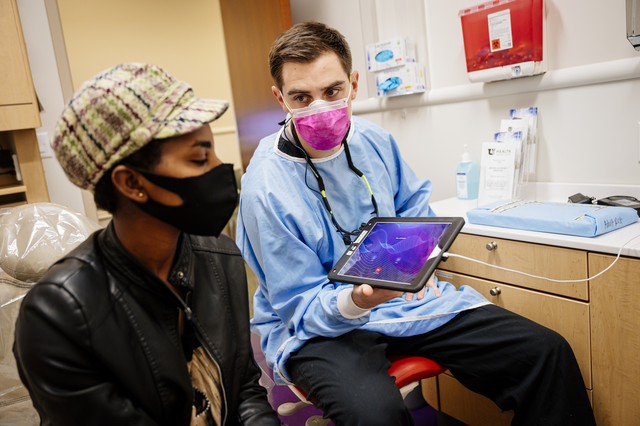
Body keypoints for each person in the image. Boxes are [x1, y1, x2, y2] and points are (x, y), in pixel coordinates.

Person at [236, 22, 596, 426]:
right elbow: (297, 304)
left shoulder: (373, 140)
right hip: (317, 328)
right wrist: (358, 299)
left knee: (545, 353)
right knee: (376, 415)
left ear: (354, 84)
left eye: (333, 91)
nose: (320, 107)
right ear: (280, 99)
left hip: (401, 302)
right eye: (301, 97)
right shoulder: (265, 188)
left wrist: (417, 262)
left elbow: (413, 208)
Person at [13, 63, 281, 426]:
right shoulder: (58, 315)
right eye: (199, 158)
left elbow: (244, 386)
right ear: (131, 183)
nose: (222, 168)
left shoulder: (219, 256)